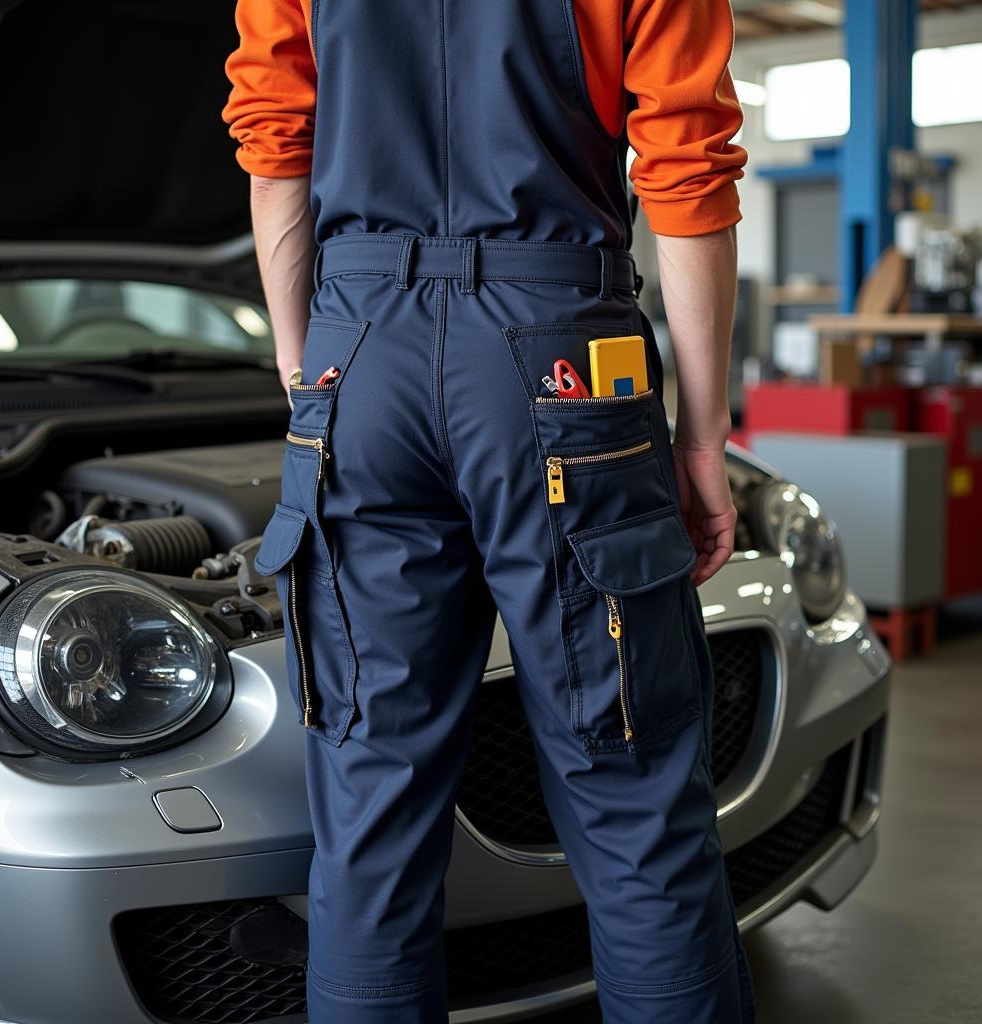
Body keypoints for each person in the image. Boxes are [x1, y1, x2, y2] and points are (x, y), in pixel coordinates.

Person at [223, 2, 753, 1021]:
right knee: (633, 799)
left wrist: (310, 372)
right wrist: (699, 432)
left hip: (359, 344)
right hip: (562, 354)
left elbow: (274, 137)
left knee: (369, 812)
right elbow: (685, 166)